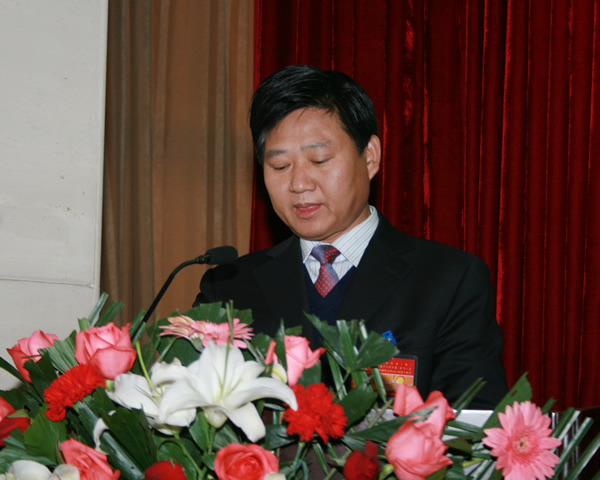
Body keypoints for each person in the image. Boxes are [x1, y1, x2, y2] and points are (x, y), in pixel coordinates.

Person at [195, 65, 507, 409]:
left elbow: (472, 422)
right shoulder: (229, 289)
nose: (299, 184)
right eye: (280, 166)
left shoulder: (450, 282)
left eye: (319, 160)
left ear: (369, 156)